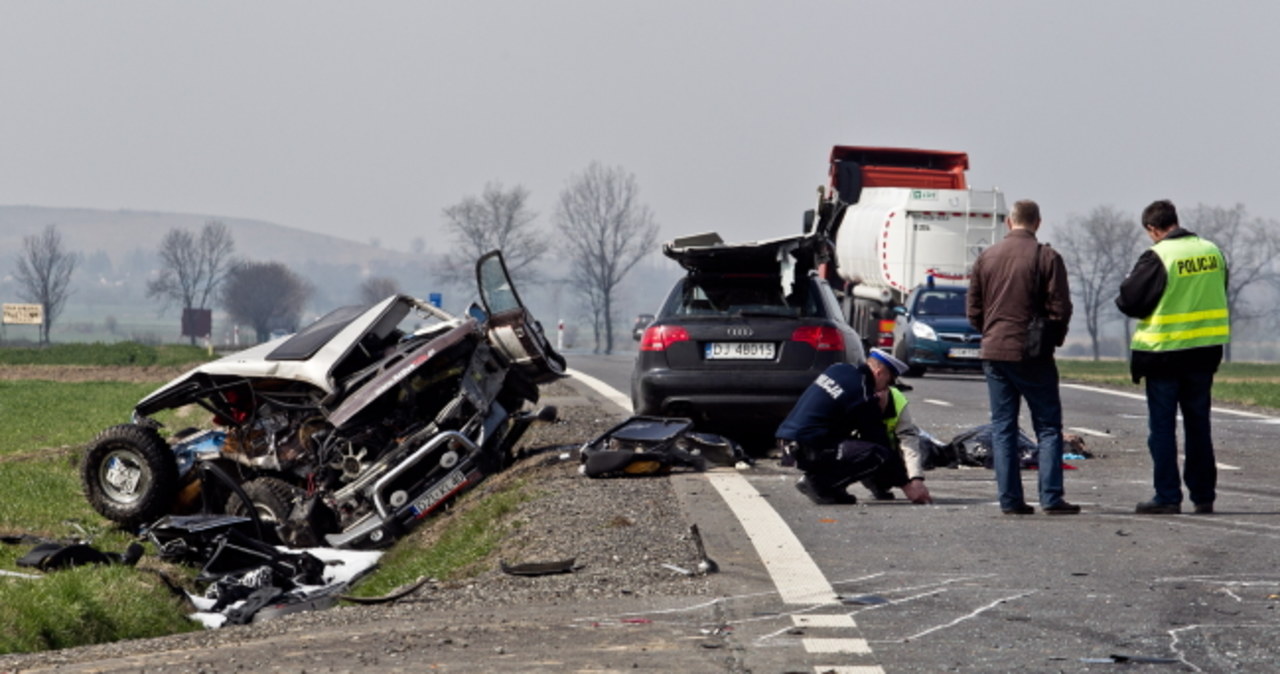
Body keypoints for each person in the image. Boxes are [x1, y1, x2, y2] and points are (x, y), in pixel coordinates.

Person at [966, 199, 1079, 515]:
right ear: (1038, 223)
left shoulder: (986, 257)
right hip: (1033, 353)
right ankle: (1051, 497)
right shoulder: (1046, 257)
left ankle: (1010, 500)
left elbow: (973, 309)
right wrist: (1051, 338)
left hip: (994, 350)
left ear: (1008, 223)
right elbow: (1061, 307)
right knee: (1047, 426)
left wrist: (990, 331)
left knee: (1003, 427)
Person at [1116, 200, 1229, 515]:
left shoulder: (1160, 256)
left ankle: (1167, 495)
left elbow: (1130, 300)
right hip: (1204, 353)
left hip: (1165, 355)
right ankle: (1204, 495)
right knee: (1198, 425)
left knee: (1163, 428)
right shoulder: (1212, 251)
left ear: (1153, 229)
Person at [776, 349, 933, 505]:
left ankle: (828, 485)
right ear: (879, 373)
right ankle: (820, 484)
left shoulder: (839, 369)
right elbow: (877, 440)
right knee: (878, 454)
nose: (887, 388)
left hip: (788, 442)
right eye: (889, 381)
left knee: (853, 445)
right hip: (808, 448)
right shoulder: (863, 394)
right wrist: (907, 485)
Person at [860, 385, 929, 501]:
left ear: (887, 390)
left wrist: (916, 478)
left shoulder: (897, 401)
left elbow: (909, 442)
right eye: (873, 392)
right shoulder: (855, 400)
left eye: (880, 391)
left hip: (892, 450)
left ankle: (885, 483)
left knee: (914, 451)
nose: (877, 396)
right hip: (864, 450)